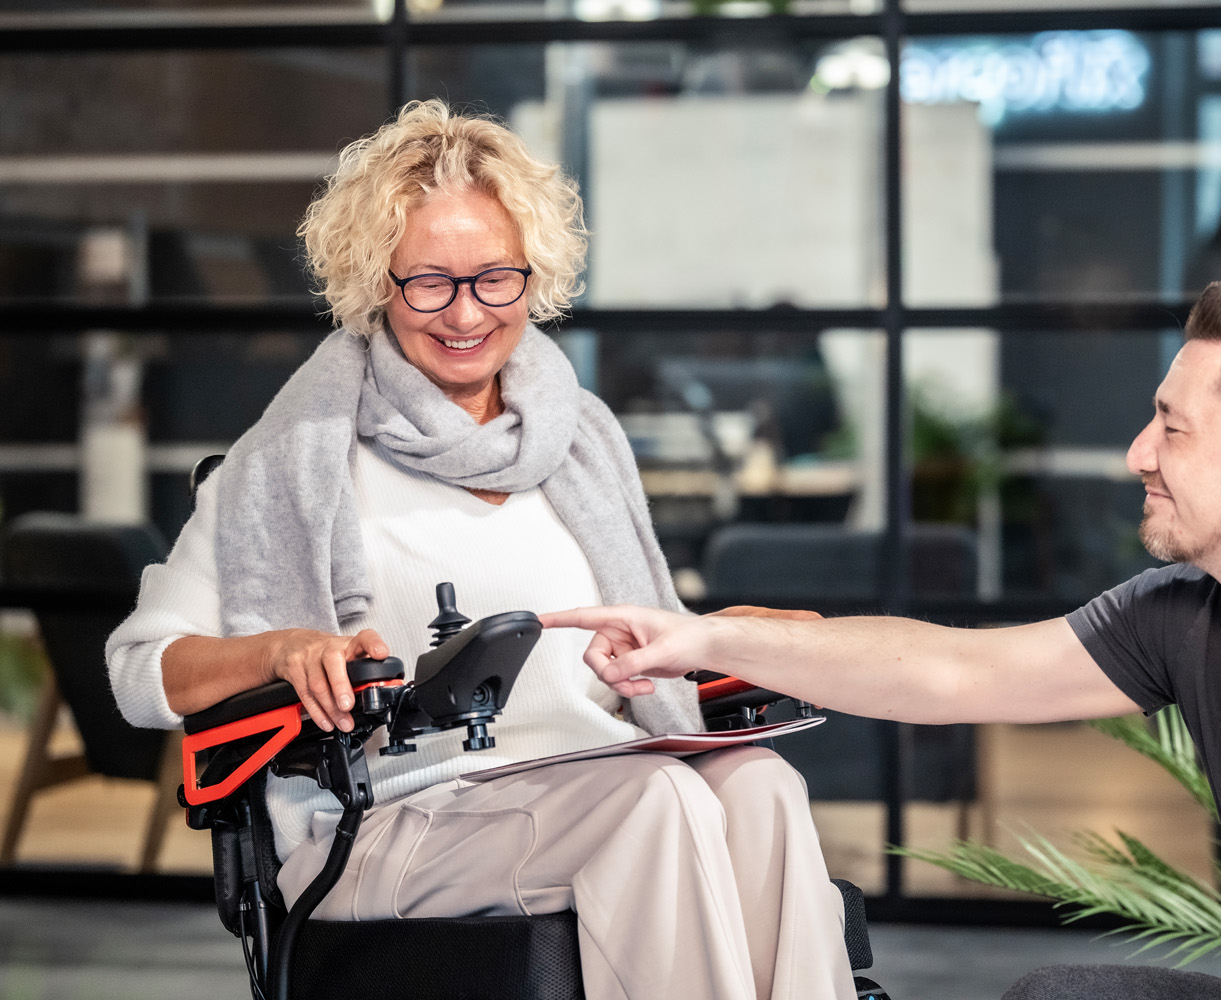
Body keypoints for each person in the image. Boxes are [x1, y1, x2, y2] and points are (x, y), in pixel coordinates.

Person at [547, 280, 1221, 1000]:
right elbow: (955, 672)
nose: (1138, 452)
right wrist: (705, 638)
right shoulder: (1187, 618)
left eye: (1173, 428)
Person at [106, 98, 855, 1000]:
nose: (466, 312)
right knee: (659, 802)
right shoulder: (288, 465)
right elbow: (138, 671)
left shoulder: (580, 440)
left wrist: (720, 638)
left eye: (494, 278)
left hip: (599, 774)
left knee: (760, 784)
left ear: (532, 277)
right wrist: (281, 650)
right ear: (377, 282)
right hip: (392, 819)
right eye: (429, 282)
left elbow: (640, 641)